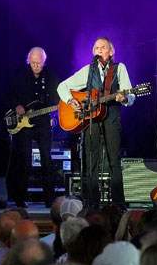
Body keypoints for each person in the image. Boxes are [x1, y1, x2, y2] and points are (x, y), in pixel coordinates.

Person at [57, 37, 135, 209]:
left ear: (111, 51)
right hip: (91, 121)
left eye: (103, 47)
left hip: (112, 118)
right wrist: (71, 101)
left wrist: (125, 98)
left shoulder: (119, 68)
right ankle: (92, 203)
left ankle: (118, 204)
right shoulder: (88, 70)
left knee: (114, 161)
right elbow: (62, 86)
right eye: (97, 48)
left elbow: (131, 96)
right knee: (91, 162)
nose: (100, 50)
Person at [6, 47, 60, 208]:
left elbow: (58, 98)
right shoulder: (19, 76)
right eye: (33, 63)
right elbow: (9, 95)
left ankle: (49, 199)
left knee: (46, 160)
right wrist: (17, 106)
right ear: (28, 60)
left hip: (43, 122)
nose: (36, 66)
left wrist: (56, 113)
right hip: (24, 124)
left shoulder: (50, 77)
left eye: (39, 63)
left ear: (44, 61)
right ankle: (20, 198)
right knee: (24, 160)